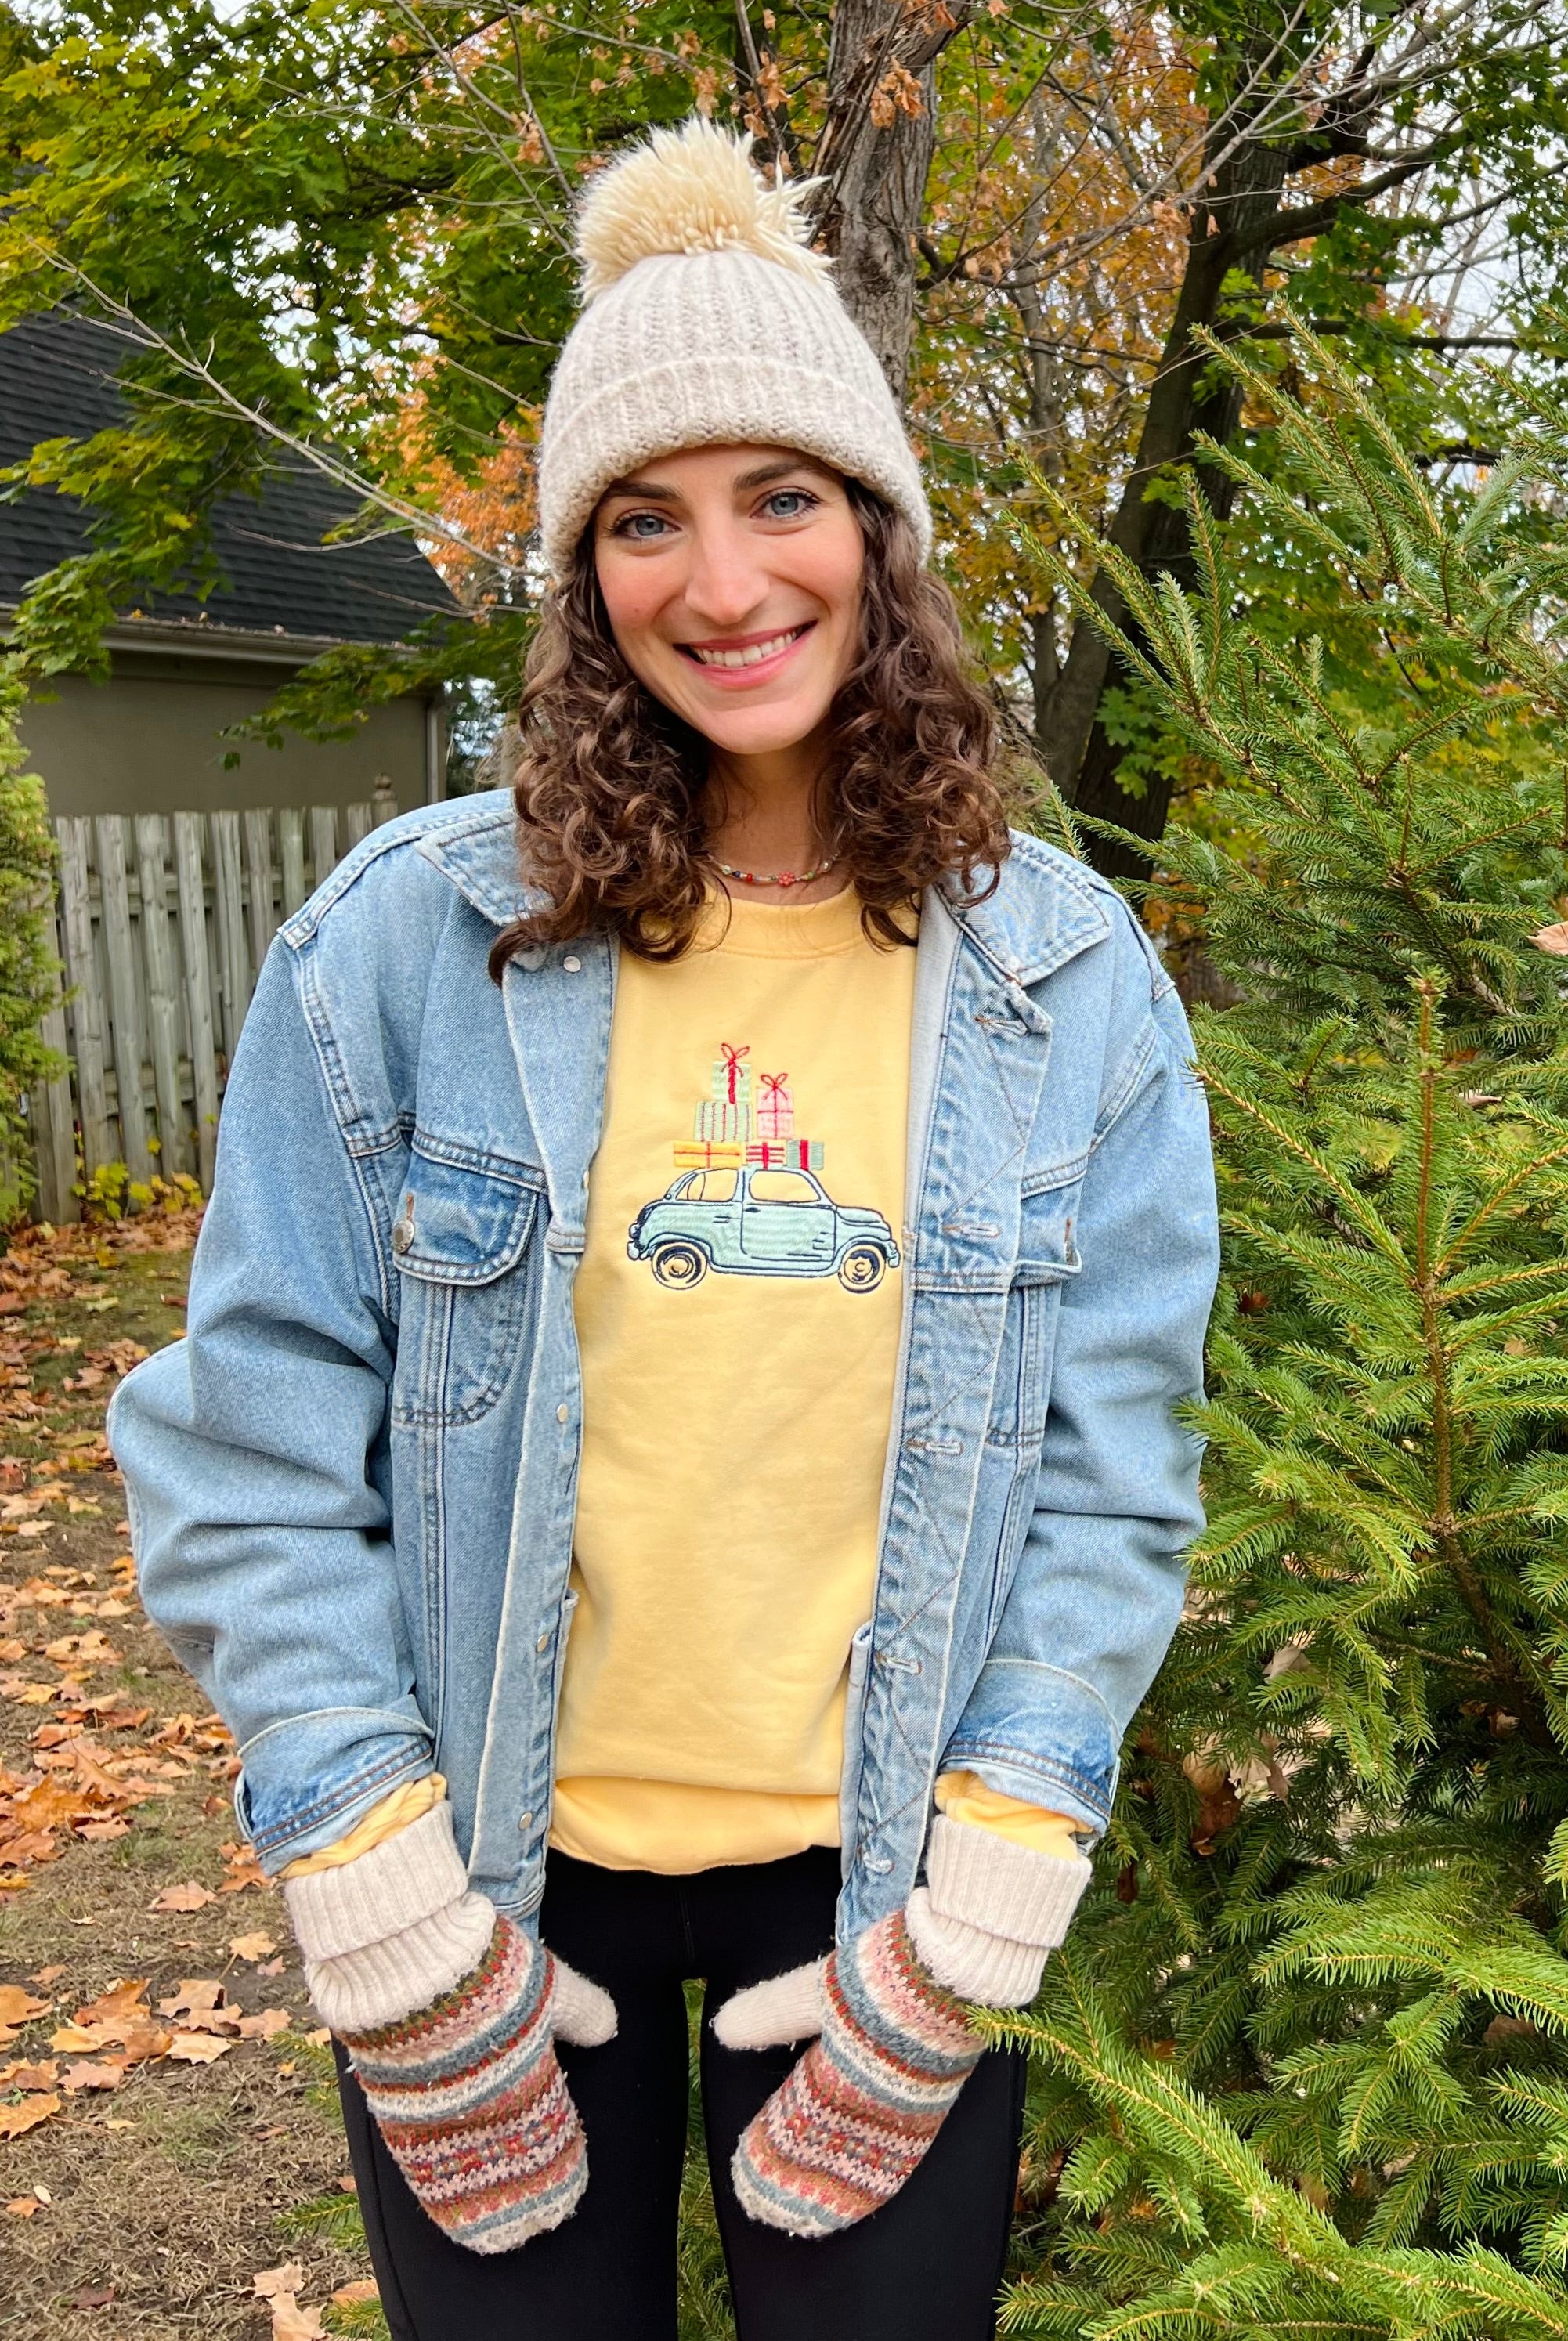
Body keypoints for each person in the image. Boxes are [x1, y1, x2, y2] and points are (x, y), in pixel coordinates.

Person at [107, 119, 1219, 2341]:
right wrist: (383, 1903)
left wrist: (971, 1929)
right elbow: (241, 1440)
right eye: (644, 520)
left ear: (879, 534)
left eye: (780, 497)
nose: (721, 584)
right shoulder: (409, 947)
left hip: (882, 1884)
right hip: (496, 1881)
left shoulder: (1070, 982)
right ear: (580, 575)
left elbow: (1114, 1484)